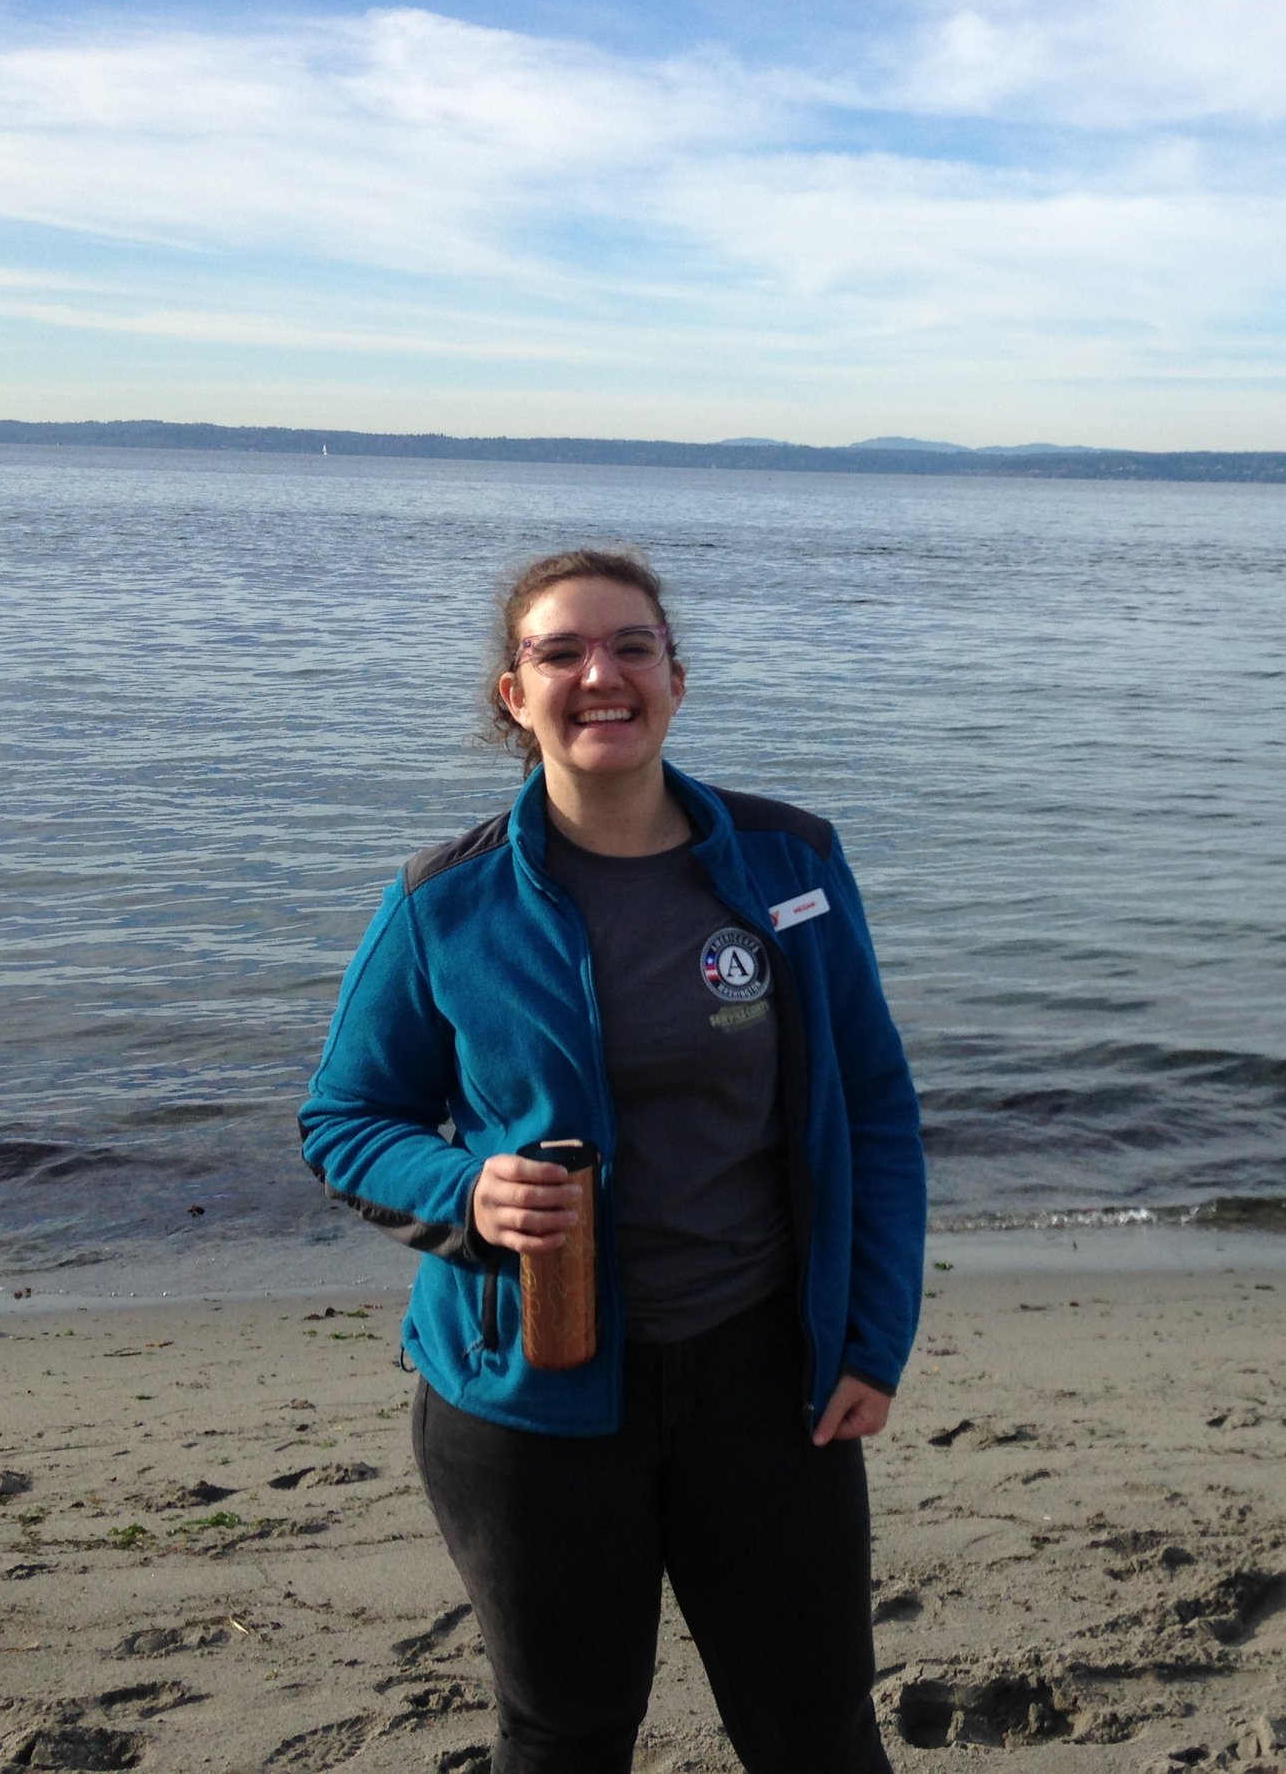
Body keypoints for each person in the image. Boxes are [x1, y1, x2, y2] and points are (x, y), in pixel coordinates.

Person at [298, 546, 925, 1772]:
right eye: (561, 653)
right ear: (512, 695)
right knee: (566, 1736)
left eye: (632, 647)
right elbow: (344, 1119)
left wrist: (871, 1335)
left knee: (816, 1734)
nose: (602, 674)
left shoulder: (789, 863)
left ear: (676, 682)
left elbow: (877, 1110)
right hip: (529, 1396)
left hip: (767, 1379)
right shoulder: (445, 902)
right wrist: (464, 1190)